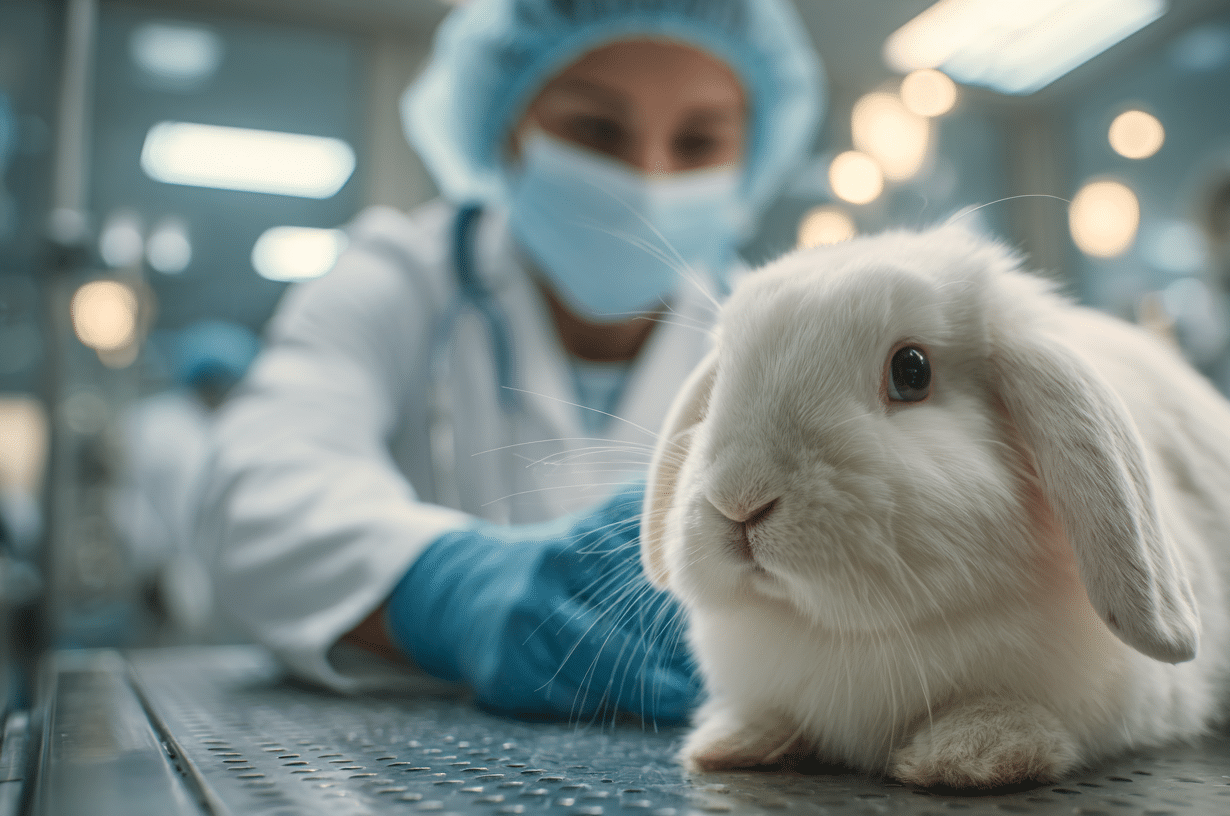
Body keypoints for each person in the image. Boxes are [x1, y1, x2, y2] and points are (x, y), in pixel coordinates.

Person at [200, 0, 823, 722]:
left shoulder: (773, 332)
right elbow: (255, 492)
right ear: (508, 129)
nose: (649, 178)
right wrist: (449, 592)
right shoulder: (401, 280)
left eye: (699, 140)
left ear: (751, 157)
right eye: (596, 128)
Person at [112, 321, 259, 641]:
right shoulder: (156, 424)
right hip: (169, 572)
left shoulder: (243, 424)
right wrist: (154, 568)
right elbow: (132, 502)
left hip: (234, 572)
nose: (220, 389)